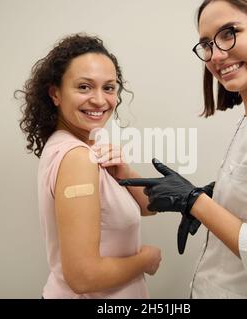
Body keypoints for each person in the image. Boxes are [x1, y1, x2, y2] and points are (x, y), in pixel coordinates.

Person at [120, 0, 247, 298]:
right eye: (206, 44)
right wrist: (216, 200)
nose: (217, 55)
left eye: (229, 33)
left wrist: (194, 201)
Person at [17, 34, 161, 299]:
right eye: (84, 87)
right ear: (55, 93)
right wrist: (145, 260)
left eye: (108, 88)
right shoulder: (77, 158)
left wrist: (124, 172)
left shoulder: (79, 148)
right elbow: (83, 277)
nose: (99, 100)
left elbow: (149, 207)